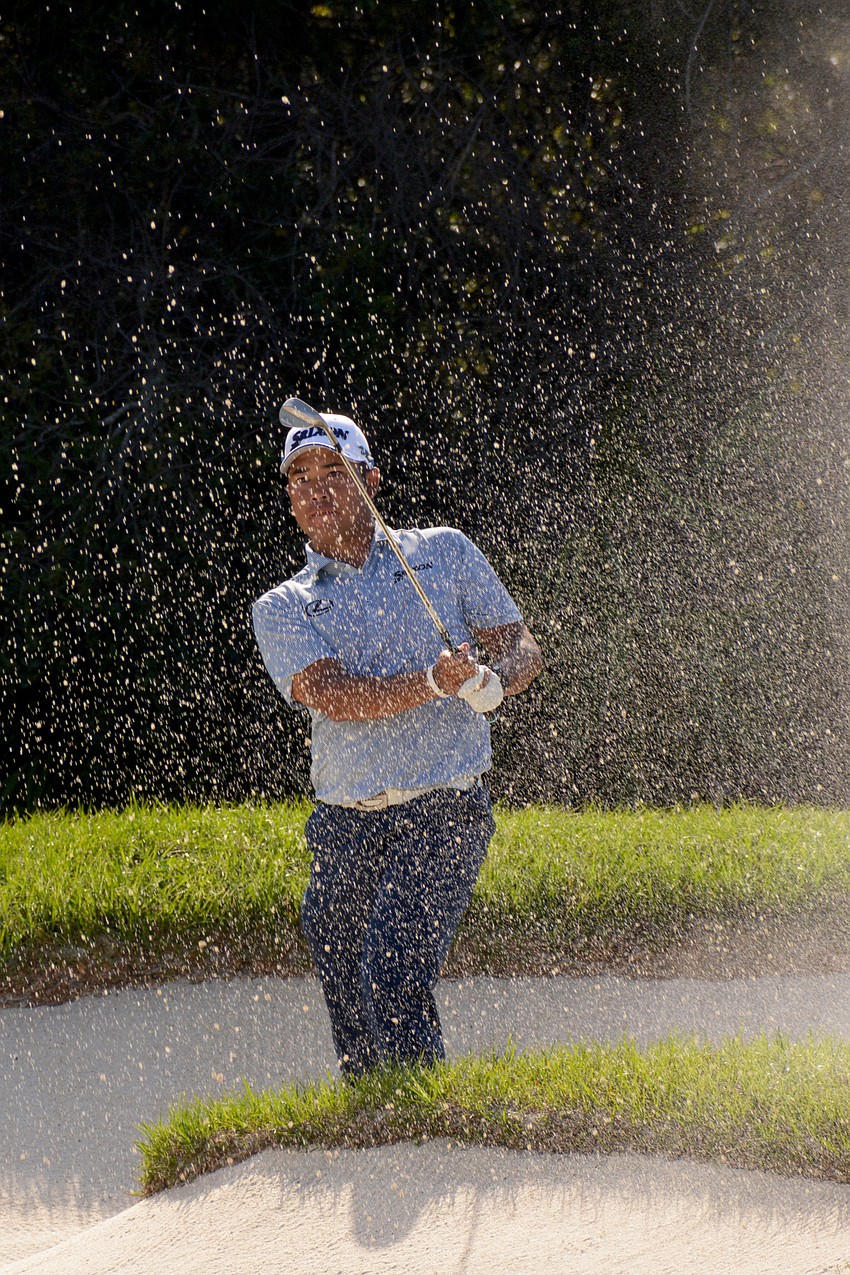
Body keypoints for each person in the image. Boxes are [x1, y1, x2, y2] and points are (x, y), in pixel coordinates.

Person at [252, 408, 543, 1079]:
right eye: (300, 478)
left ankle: (423, 1123)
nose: (316, 489)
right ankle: (375, 1122)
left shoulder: (444, 552)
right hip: (344, 824)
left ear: (372, 480)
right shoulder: (281, 605)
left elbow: (521, 645)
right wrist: (435, 682)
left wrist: (494, 681)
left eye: (334, 471)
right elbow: (336, 696)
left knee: (391, 973)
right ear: (290, 498)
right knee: (350, 992)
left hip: (444, 810)